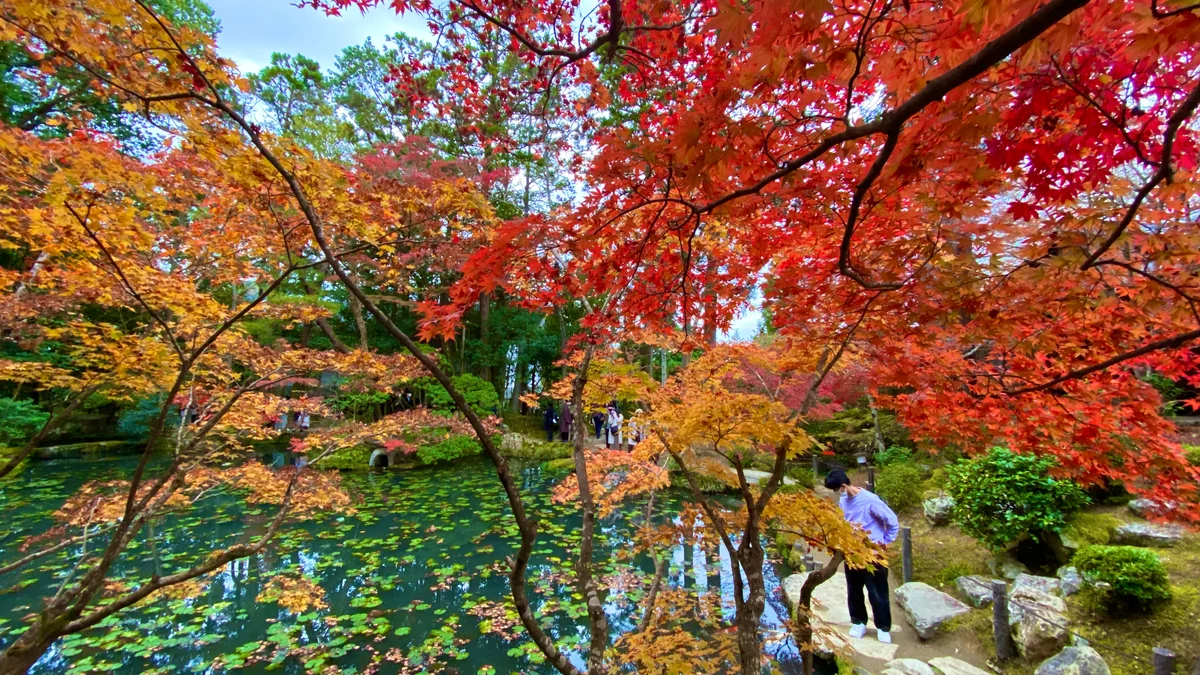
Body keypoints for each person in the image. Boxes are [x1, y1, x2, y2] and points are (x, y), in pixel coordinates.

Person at [823, 468, 899, 644]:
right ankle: (858, 622)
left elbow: (892, 521)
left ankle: (883, 627)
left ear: (843, 486)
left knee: (877, 591)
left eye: (836, 489)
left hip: (873, 553)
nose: (836, 493)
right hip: (852, 552)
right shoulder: (843, 501)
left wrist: (883, 541)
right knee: (854, 589)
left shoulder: (870, 501)